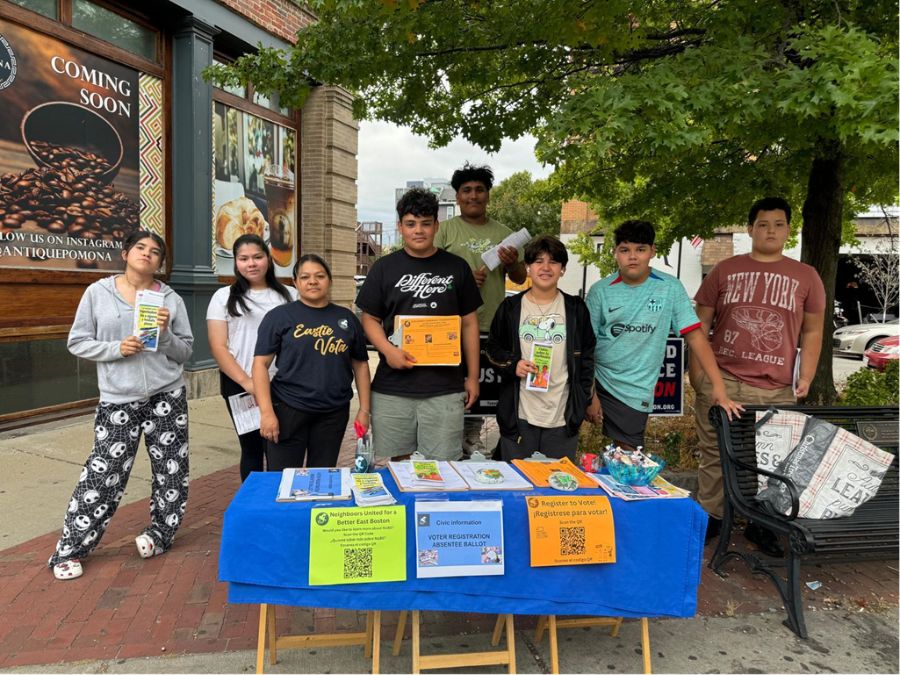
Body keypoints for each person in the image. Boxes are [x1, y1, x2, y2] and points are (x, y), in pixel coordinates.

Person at [49, 231, 194, 581]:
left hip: (166, 396)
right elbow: (78, 341)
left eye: (155, 251)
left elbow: (186, 352)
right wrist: (116, 348)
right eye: (140, 248)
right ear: (126, 252)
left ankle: (160, 534)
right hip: (118, 398)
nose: (147, 254)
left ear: (161, 262)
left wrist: (166, 336)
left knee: (171, 470)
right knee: (103, 472)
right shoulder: (98, 294)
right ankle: (70, 548)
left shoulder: (170, 299)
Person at [691, 197, 825, 552]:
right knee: (715, 455)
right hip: (725, 379)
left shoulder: (806, 276)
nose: (770, 231)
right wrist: (698, 376)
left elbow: (812, 331)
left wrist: (807, 375)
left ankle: (761, 523)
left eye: (779, 224)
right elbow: (699, 325)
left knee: (770, 461)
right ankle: (713, 518)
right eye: (763, 224)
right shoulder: (724, 270)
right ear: (750, 229)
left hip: (777, 387)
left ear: (788, 229)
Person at [585, 220, 742, 450]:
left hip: (634, 390)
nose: (633, 257)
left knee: (627, 459)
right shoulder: (600, 290)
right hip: (597, 380)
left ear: (652, 252)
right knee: (568, 448)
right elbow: (584, 347)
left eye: (640, 249)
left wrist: (718, 386)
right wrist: (590, 394)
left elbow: (696, 337)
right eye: (625, 250)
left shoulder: (670, 288)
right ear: (615, 253)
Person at [356, 188, 482, 461]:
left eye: (426, 223)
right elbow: (370, 318)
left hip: (445, 388)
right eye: (411, 224)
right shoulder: (383, 268)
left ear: (437, 226)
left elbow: (469, 324)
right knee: (399, 466)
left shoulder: (457, 268)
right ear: (400, 227)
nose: (419, 231)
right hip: (393, 388)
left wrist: (472, 376)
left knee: (444, 468)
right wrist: (388, 351)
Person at [434, 163, 526, 456]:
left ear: (488, 195)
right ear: (457, 197)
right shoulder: (443, 230)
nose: (473, 195)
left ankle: (470, 447)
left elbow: (522, 278)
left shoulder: (506, 234)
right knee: (450, 393)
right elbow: (429, 273)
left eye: (479, 190)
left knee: (483, 396)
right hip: (449, 328)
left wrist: (512, 263)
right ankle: (448, 448)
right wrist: (457, 280)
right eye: (466, 190)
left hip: (492, 328)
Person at [252, 254, 371, 472]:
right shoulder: (279, 317)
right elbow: (260, 365)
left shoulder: (346, 318)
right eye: (305, 277)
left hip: (333, 413)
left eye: (320, 276)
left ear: (329, 280)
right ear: (296, 283)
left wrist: (364, 409)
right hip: (288, 409)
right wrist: (267, 413)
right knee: (283, 478)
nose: (312, 281)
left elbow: (361, 365)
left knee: (324, 476)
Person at [486, 235, 595, 460]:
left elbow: (587, 358)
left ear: (563, 269)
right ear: (527, 267)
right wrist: (512, 364)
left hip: (562, 418)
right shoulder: (510, 308)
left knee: (555, 487)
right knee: (516, 487)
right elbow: (492, 348)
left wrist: (581, 401)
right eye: (538, 261)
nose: (545, 267)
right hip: (520, 418)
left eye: (553, 262)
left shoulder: (576, 309)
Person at [206, 234, 296, 481]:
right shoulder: (223, 297)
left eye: (257, 257)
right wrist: (248, 383)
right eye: (244, 259)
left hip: (284, 384)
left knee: (280, 448)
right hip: (239, 384)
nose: (251, 263)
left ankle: (279, 503)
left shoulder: (289, 295)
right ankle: (254, 504)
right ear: (236, 263)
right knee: (252, 449)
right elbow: (219, 347)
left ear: (268, 258)